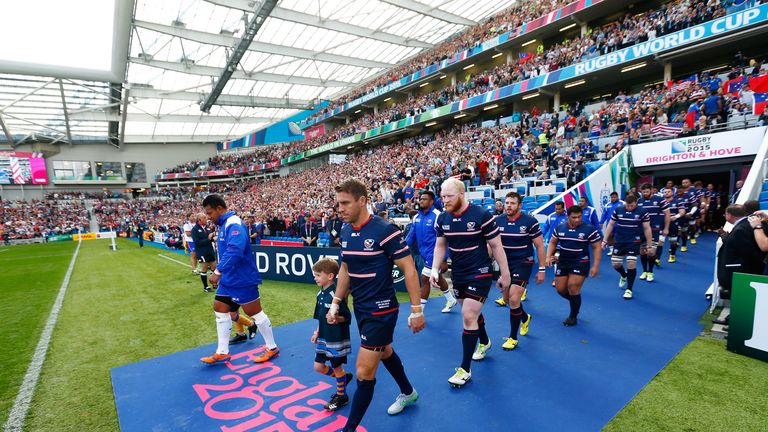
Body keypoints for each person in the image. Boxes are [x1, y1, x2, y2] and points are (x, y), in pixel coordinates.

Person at [328, 179, 424, 432]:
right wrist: (336, 302)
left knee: (363, 372)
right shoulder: (346, 231)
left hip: (381, 309)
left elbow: (409, 269)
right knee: (385, 351)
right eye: (338, 203)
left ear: (362, 201)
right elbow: (346, 268)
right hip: (360, 307)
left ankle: (348, 429)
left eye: (346, 203)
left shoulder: (385, 230)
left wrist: (417, 310)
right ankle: (408, 392)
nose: (341, 208)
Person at [431, 178, 511, 387]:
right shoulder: (442, 219)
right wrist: (434, 268)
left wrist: (505, 274)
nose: (444, 200)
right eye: (442, 195)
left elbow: (496, 245)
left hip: (480, 271)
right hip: (458, 273)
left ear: (461, 194)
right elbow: (440, 245)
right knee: (472, 313)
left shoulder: (481, 215)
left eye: (449, 196)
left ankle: (464, 369)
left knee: (468, 315)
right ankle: (484, 341)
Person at [200, 194, 279, 365]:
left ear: (220, 209)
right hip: (229, 279)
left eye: (209, 213)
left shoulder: (234, 223)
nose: (208, 217)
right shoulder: (224, 224)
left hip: (242, 279)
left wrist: (218, 271)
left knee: (254, 312)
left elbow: (235, 250)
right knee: (220, 308)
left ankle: (272, 347)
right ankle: (222, 352)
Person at [493, 192, 546, 351]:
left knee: (514, 299)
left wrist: (542, 269)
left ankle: (513, 338)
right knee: (508, 300)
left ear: (520, 205)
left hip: (523, 263)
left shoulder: (529, 221)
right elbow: (492, 244)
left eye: (512, 203)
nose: (508, 205)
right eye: (506, 202)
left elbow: (539, 246)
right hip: (505, 265)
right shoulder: (498, 221)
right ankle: (525, 317)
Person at [546, 205, 601, 325]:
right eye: (574, 217)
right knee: (560, 290)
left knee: (573, 287)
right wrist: (548, 256)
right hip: (563, 261)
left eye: (579, 217)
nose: (577, 219)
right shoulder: (560, 228)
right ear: (568, 216)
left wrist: (596, 266)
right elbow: (553, 242)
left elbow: (597, 247)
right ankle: (576, 302)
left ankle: (573, 316)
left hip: (581, 261)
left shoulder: (589, 229)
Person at [310, 258, 353, 411]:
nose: (315, 277)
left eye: (318, 275)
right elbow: (320, 318)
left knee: (336, 366)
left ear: (330, 276)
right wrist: (317, 332)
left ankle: (342, 395)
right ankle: (343, 377)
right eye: (314, 275)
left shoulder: (337, 295)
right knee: (318, 367)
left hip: (336, 339)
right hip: (323, 338)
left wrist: (337, 319)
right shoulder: (319, 295)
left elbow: (347, 317)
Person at [405, 190, 457, 313]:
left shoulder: (439, 215)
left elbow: (446, 238)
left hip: (435, 255)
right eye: (420, 199)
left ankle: (419, 312)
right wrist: (402, 248)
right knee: (437, 278)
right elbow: (411, 236)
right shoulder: (416, 217)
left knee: (424, 278)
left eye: (424, 199)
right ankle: (450, 299)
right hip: (424, 254)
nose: (421, 200)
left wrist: (444, 259)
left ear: (432, 201)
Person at [602, 195, 653, 299]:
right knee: (616, 264)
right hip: (620, 240)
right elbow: (611, 225)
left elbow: (647, 228)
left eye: (632, 205)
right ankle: (624, 275)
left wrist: (649, 244)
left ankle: (629, 289)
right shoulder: (618, 209)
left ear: (636, 203)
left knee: (631, 263)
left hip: (634, 240)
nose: (629, 207)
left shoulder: (643, 212)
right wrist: (605, 240)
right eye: (627, 205)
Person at [637, 184, 670, 281]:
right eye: (643, 192)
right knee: (642, 252)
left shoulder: (660, 199)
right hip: (642, 230)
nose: (645, 194)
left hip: (654, 230)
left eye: (647, 191)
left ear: (651, 190)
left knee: (651, 252)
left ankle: (651, 272)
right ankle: (644, 271)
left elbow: (667, 214)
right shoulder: (639, 201)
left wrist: (666, 228)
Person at [542, 201, 569, 287]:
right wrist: (540, 237)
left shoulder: (568, 217)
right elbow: (545, 228)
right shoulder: (550, 217)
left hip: (565, 243)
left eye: (559, 209)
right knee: (556, 260)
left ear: (563, 208)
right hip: (553, 243)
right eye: (556, 209)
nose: (557, 210)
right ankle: (557, 278)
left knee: (564, 261)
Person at [191, 213, 217, 293]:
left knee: (214, 266)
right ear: (199, 220)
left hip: (209, 249)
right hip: (202, 251)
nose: (206, 219)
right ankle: (206, 287)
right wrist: (209, 239)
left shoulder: (208, 228)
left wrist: (213, 238)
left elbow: (210, 238)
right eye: (204, 218)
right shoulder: (195, 229)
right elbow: (197, 242)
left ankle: (214, 283)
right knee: (204, 267)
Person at [663, 188, 687, 263]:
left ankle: (672, 255)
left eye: (668, 191)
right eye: (665, 192)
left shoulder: (678, 201)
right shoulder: (661, 202)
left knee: (673, 241)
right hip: (662, 223)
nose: (667, 193)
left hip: (673, 224)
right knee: (659, 241)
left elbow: (682, 211)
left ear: (672, 193)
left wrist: (676, 217)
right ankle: (657, 258)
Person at [599, 192, 624, 256]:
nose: (613, 198)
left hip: (620, 224)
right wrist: (601, 222)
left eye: (614, 197)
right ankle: (612, 250)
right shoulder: (607, 205)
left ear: (617, 197)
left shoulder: (623, 203)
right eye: (612, 197)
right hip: (610, 225)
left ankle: (620, 250)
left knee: (620, 238)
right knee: (610, 237)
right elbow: (604, 214)